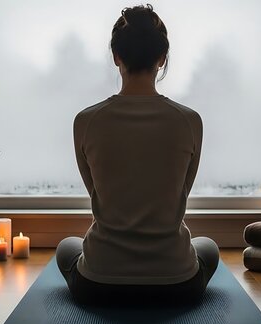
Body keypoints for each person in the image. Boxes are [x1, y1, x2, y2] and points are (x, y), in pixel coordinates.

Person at [56, 4, 219, 306]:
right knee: (208, 247)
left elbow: (97, 194)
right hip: (177, 284)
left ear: (116, 57)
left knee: (67, 246)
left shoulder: (86, 121)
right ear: (162, 58)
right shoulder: (190, 120)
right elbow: (181, 193)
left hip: (99, 283)